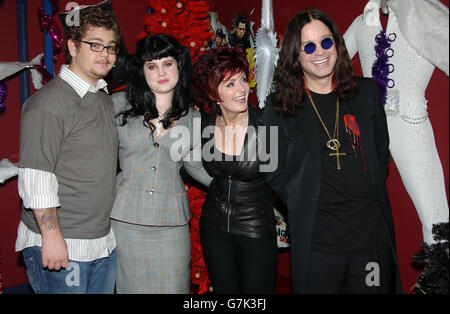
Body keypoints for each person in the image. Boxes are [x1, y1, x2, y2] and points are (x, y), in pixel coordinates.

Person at [262, 8, 403, 294]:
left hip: (370, 244)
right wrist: (305, 195)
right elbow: (271, 168)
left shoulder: (366, 94)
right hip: (318, 245)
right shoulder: (278, 107)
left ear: (336, 45)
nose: (320, 52)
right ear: (295, 56)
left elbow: (380, 153)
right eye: (309, 46)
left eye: (326, 42)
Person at [15, 5, 121, 294]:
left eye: (110, 47)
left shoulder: (101, 97)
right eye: (95, 45)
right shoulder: (49, 103)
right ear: (73, 46)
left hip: (100, 240)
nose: (105, 54)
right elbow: (37, 175)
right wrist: (51, 236)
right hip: (63, 243)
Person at [111, 34, 212, 294]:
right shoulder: (117, 107)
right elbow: (95, 159)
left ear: (179, 65)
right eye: (151, 66)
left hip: (172, 226)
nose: (161, 73)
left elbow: (197, 167)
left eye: (167, 63)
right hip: (126, 223)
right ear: (142, 71)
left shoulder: (194, 117)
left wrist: (240, 185)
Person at [344, 0, 449, 244]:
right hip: (366, 127)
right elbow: (330, 59)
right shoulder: (364, 22)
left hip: (410, 125)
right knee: (352, 206)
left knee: (435, 216)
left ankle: (439, 279)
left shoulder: (426, 18)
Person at [191, 46, 278, 294]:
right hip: (214, 226)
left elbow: (289, 174)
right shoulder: (204, 124)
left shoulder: (266, 124)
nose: (241, 89)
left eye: (242, 79)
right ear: (213, 93)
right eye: (230, 84)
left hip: (255, 227)